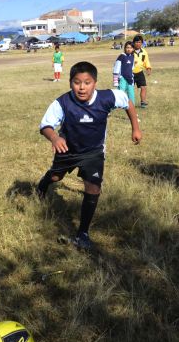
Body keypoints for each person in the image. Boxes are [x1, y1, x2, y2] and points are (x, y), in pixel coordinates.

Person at [37, 62, 142, 249]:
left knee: (93, 188)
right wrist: (54, 137)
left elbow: (127, 102)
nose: (82, 87)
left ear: (95, 83)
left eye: (87, 82)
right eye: (77, 82)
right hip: (67, 150)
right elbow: (45, 125)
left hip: (94, 152)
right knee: (56, 176)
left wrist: (135, 128)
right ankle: (43, 184)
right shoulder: (62, 103)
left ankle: (83, 233)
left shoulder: (107, 97)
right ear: (70, 83)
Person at [132, 35, 152, 108]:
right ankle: (128, 103)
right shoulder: (130, 51)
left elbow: (146, 61)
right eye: (136, 42)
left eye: (139, 42)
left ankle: (143, 102)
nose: (138, 44)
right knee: (130, 89)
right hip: (131, 73)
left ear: (142, 43)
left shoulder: (144, 52)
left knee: (143, 87)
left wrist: (148, 68)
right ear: (133, 43)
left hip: (140, 72)